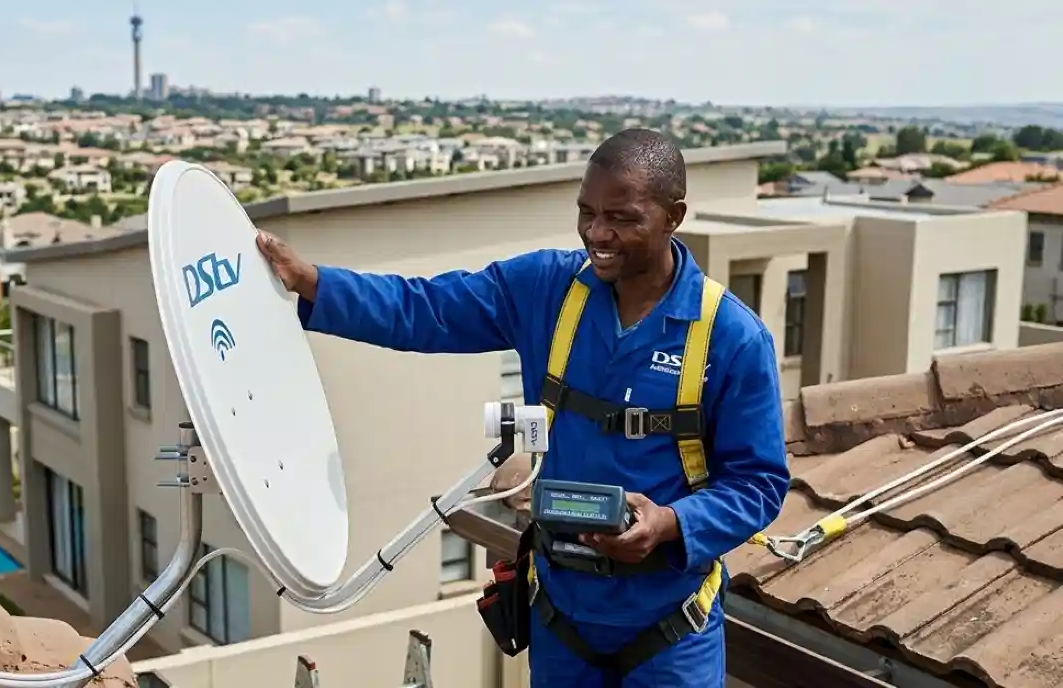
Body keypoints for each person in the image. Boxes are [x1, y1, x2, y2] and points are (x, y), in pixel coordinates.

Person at [255, 128, 790, 688]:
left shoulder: (730, 337)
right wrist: (313, 283)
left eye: (623, 218)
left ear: (673, 217)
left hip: (669, 630)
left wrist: (669, 523)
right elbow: (427, 308)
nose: (597, 234)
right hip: (563, 620)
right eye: (586, 212)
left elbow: (757, 484)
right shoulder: (547, 290)